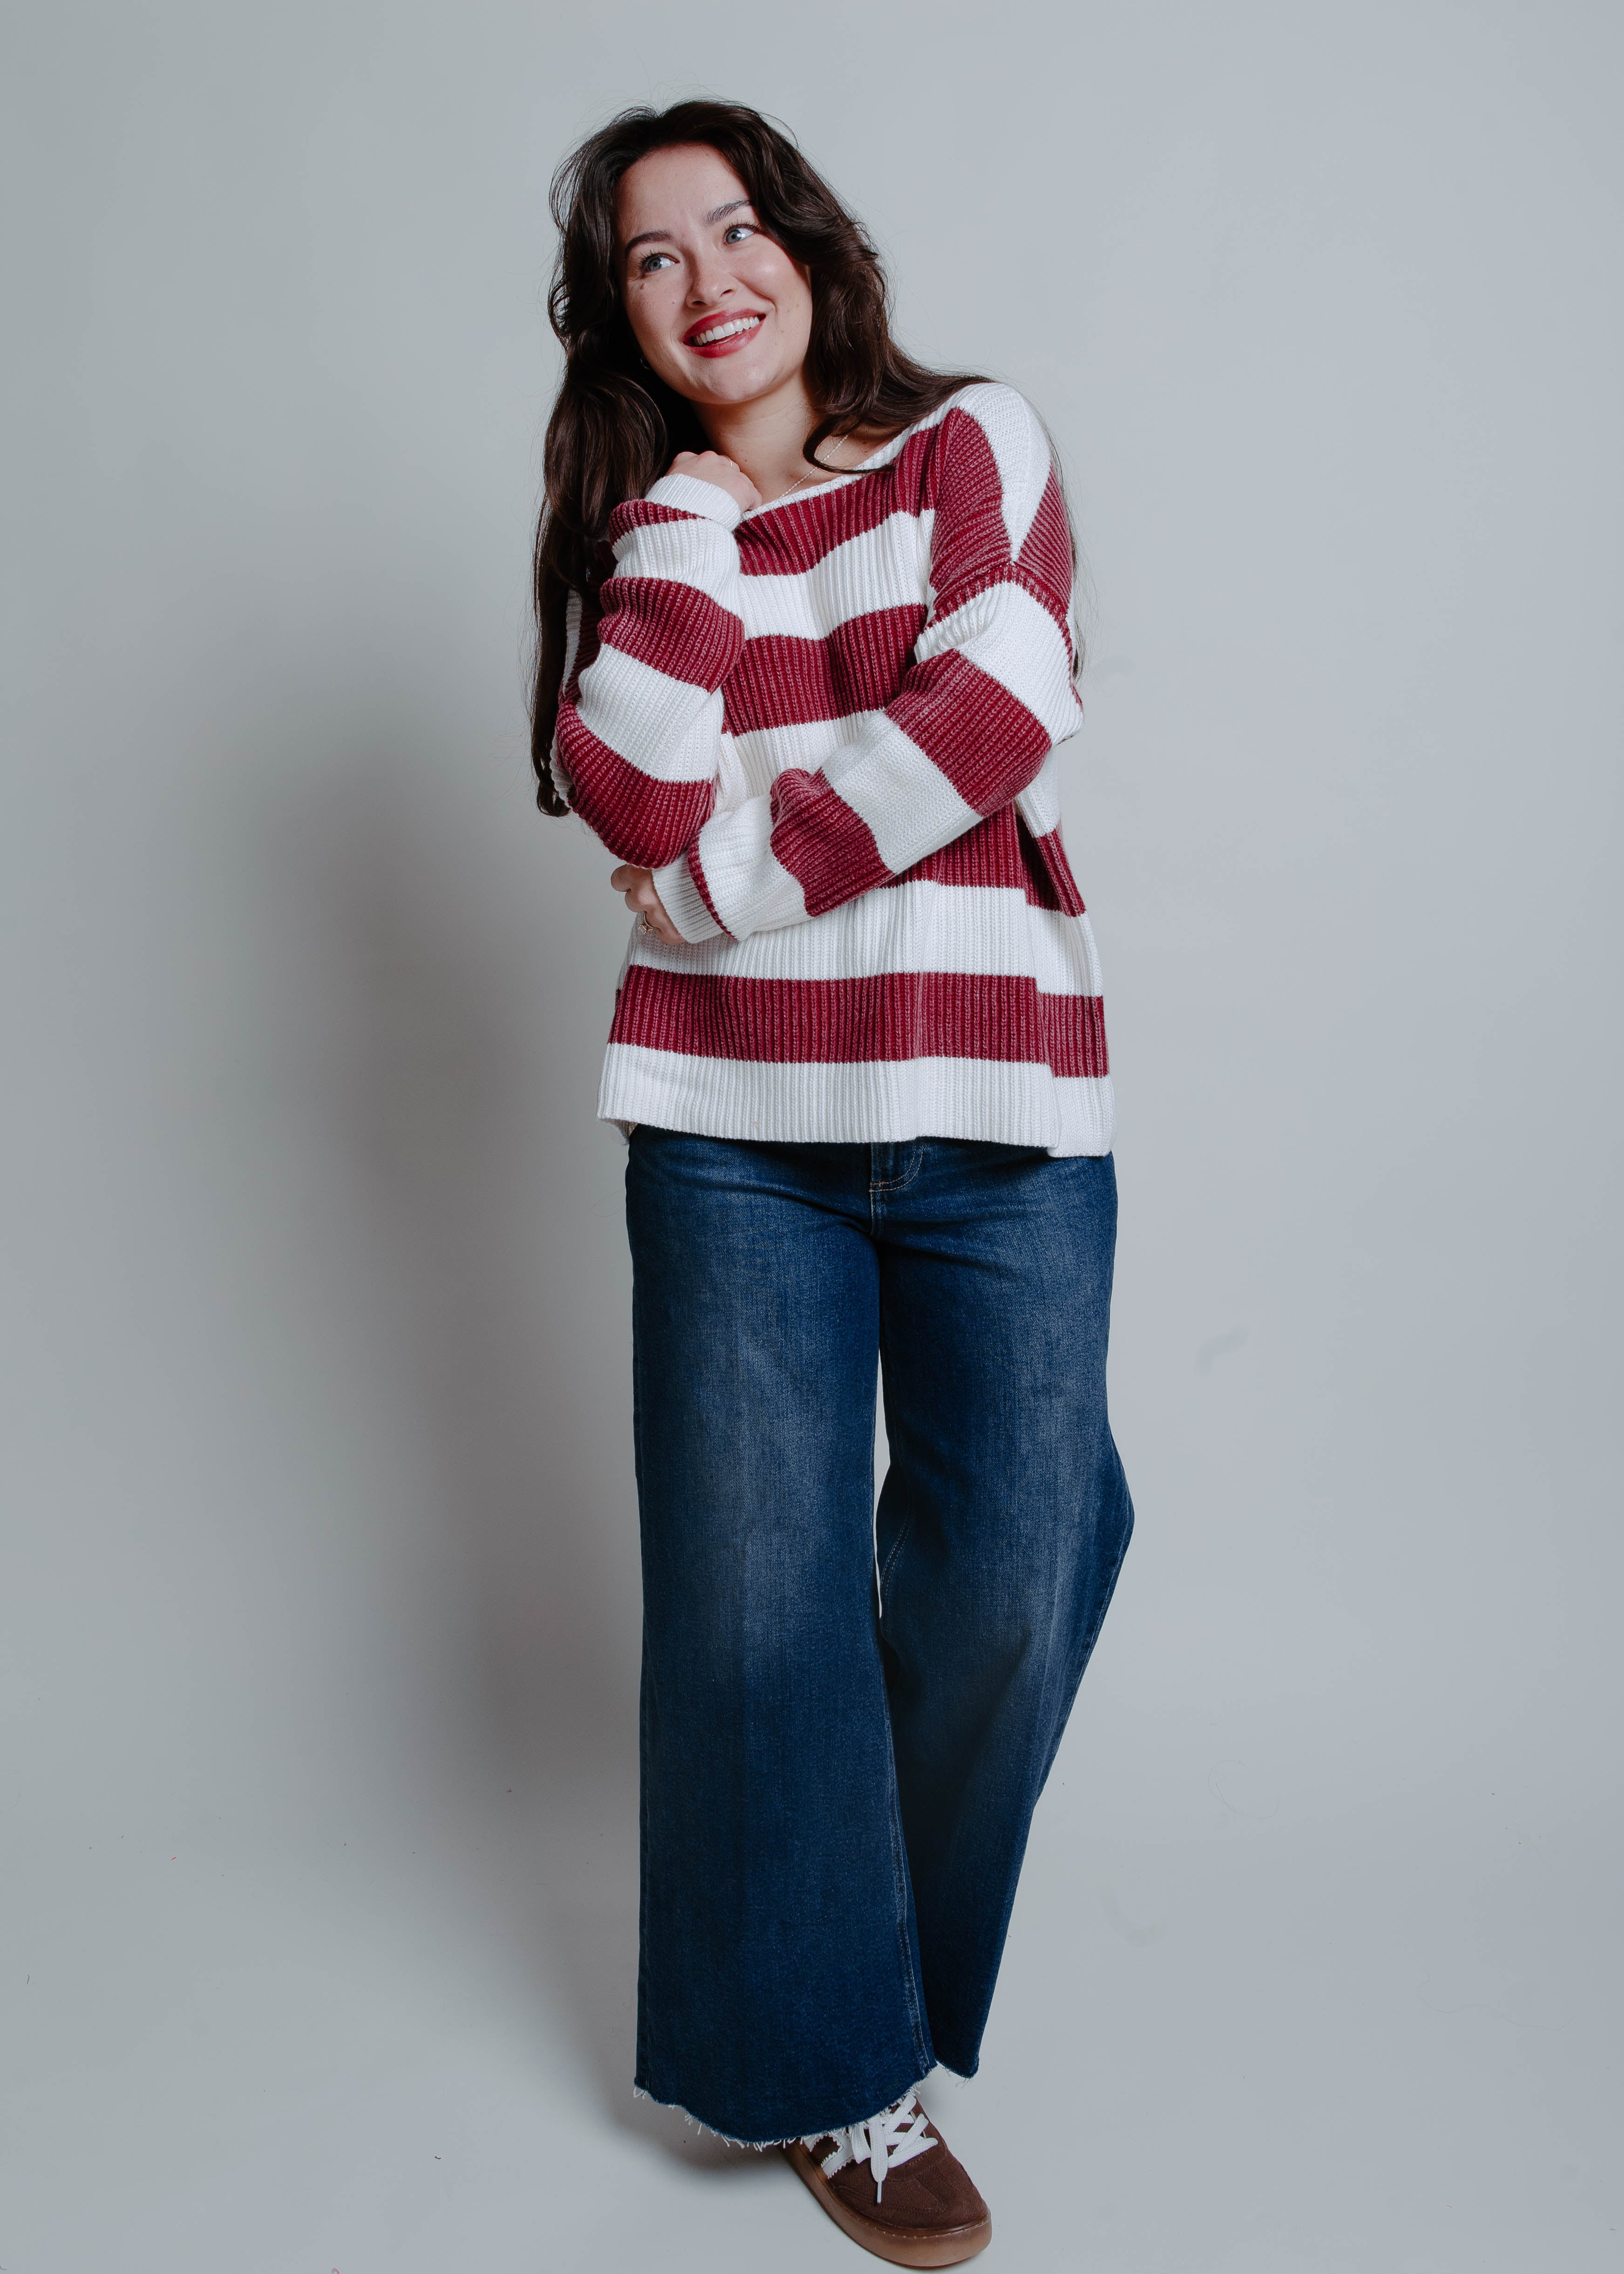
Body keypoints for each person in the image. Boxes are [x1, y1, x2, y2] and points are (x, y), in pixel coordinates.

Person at [530, 99, 1134, 2268]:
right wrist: (692, 517)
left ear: (807, 243)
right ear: (619, 315)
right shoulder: (658, 538)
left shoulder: (973, 446)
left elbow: (999, 704)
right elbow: (621, 786)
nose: (706, 281)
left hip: (991, 1105)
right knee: (754, 1619)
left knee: (1022, 1563)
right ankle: (835, 2074)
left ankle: (834, 1947)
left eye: (733, 229)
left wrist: (720, 888)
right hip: (726, 1142)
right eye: (650, 259)